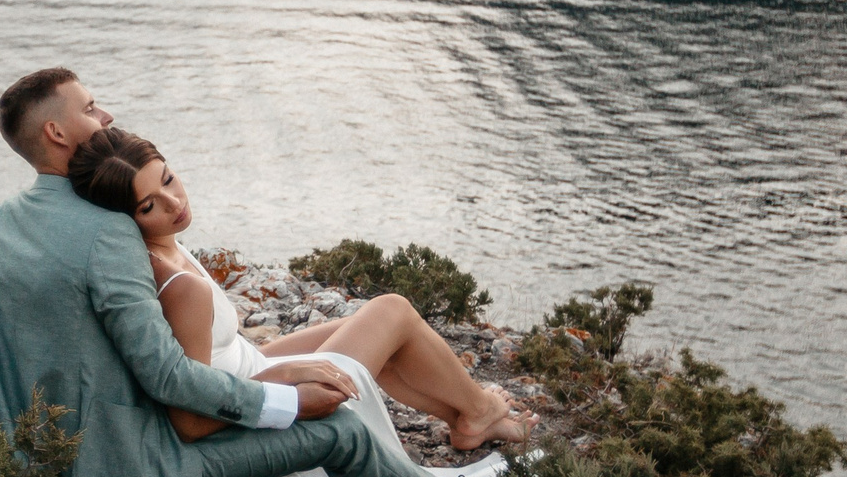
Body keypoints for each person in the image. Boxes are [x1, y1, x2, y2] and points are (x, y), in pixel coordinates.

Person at [0, 68, 447, 477]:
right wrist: (286, 401)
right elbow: (166, 374)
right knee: (341, 432)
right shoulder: (109, 231)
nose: (105, 116)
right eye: (89, 108)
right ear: (56, 133)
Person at [65, 127, 533, 460]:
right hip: (249, 418)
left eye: (167, 179)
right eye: (150, 205)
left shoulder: (159, 245)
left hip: (250, 366)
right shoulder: (176, 284)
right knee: (392, 311)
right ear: (126, 218)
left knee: (367, 326)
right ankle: (479, 411)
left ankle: (466, 417)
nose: (174, 203)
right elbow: (190, 418)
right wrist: (287, 376)